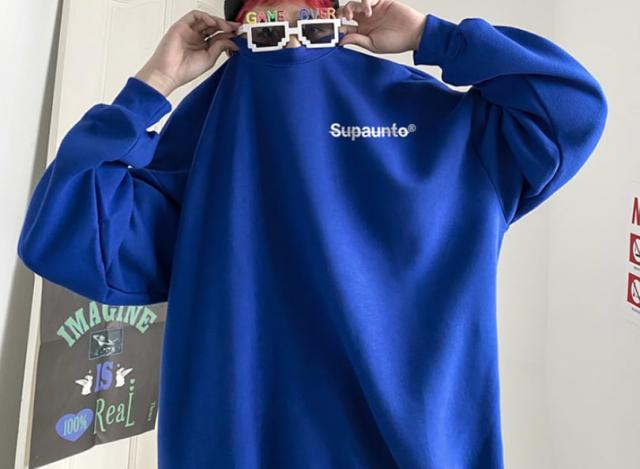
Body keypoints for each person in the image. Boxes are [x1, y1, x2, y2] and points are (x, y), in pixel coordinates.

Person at [17, 0, 608, 467]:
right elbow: (63, 232)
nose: (291, 43)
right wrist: (153, 84)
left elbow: (571, 107)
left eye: (310, 22)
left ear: (341, 20)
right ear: (233, 36)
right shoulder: (203, 140)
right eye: (265, 29)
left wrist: (433, 37)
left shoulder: (435, 120)